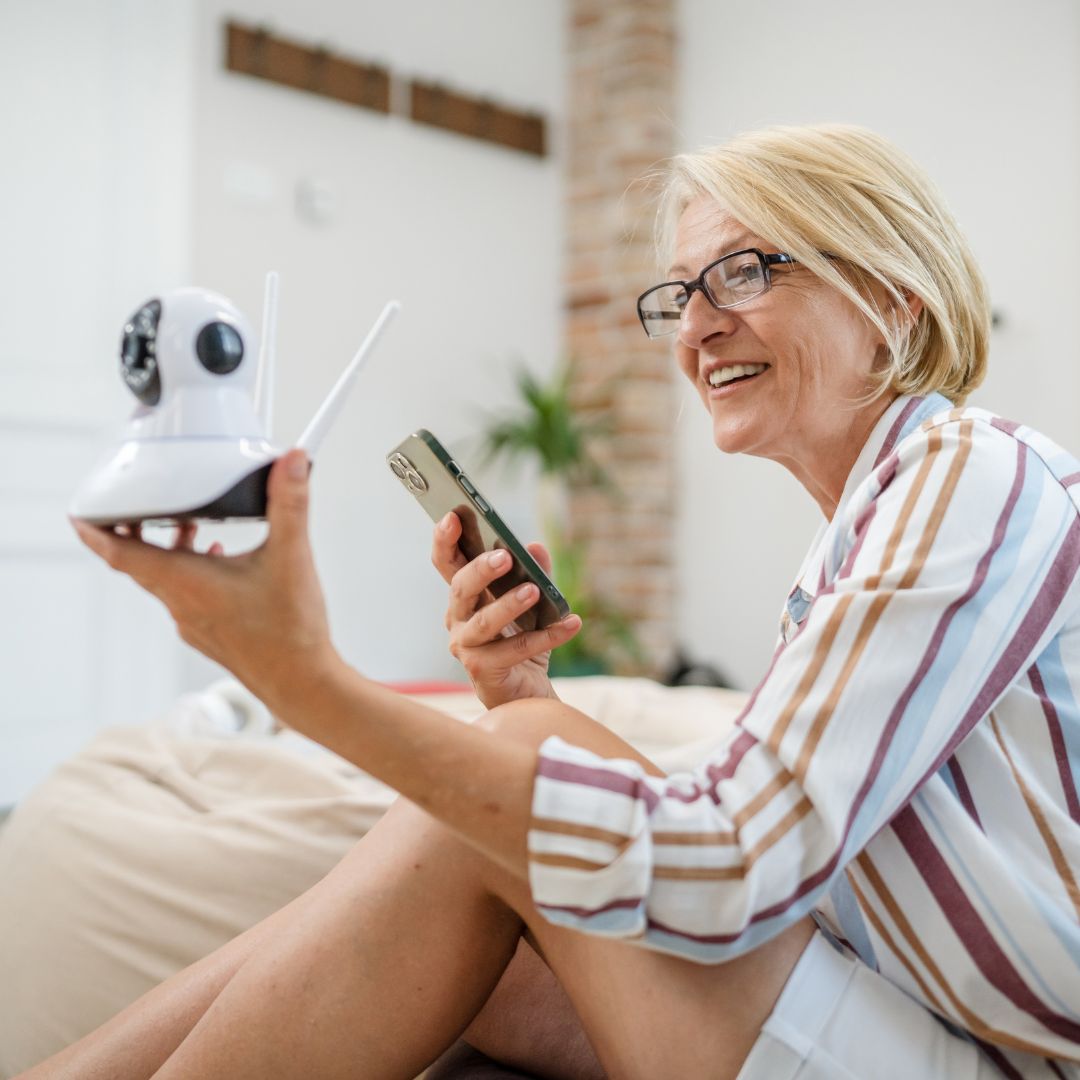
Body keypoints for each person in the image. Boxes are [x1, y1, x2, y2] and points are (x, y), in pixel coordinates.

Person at [33, 122, 1080, 1078]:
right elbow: (751, 830)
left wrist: (305, 681)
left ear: (898, 299)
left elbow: (735, 864)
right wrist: (525, 694)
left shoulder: (972, 472)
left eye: (745, 271)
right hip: (895, 1000)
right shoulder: (855, 537)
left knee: (505, 788)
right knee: (480, 822)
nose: (697, 328)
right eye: (680, 292)